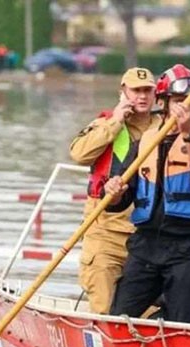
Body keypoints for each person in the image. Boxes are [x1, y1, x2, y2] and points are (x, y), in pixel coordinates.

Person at [104, 64, 190, 323]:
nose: (184, 108)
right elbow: (121, 198)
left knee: (182, 320)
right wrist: (113, 192)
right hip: (146, 245)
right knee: (119, 316)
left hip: (186, 247)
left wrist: (188, 134)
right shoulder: (143, 143)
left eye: (189, 102)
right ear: (164, 102)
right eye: (179, 101)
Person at [69, 67, 161, 313]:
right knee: (104, 309)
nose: (142, 96)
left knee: (150, 312)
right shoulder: (106, 123)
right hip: (106, 234)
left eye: (147, 91)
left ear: (156, 94)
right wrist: (115, 122)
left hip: (147, 236)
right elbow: (79, 154)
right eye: (136, 91)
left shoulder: (166, 126)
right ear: (123, 93)